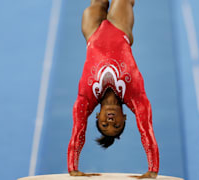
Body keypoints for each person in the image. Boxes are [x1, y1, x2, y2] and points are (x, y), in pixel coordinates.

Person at [67, 0, 159, 178]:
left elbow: (77, 133)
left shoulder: (85, 98)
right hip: (120, 28)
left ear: (97, 116)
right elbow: (146, 131)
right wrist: (153, 171)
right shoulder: (134, 95)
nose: (110, 120)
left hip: (92, 32)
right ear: (125, 118)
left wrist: (73, 169)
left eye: (104, 124)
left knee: (97, 3)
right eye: (116, 125)